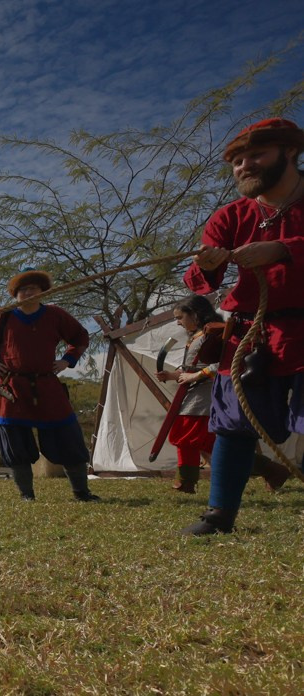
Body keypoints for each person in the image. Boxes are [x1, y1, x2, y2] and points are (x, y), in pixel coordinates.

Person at [177, 118, 304, 535]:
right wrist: (205, 263)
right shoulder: (229, 216)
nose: (244, 166)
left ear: (289, 153)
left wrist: (283, 249)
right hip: (253, 333)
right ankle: (220, 514)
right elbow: (198, 285)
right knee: (232, 422)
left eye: (256, 155)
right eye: (237, 160)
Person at [0, 270, 100, 502]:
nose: (28, 293)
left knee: (68, 437)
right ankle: (27, 495)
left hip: (47, 385)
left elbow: (80, 336)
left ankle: (81, 492)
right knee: (15, 444)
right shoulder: (2, 316)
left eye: (33, 288)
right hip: (11, 389)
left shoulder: (56, 315)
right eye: (23, 290)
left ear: (43, 291)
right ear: (15, 295)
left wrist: (67, 360)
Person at [154, 296, 225, 494]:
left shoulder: (214, 333)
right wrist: (171, 375)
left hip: (205, 396)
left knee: (184, 436)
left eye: (180, 317)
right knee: (207, 443)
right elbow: (191, 369)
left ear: (194, 314)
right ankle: (269, 469)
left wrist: (196, 376)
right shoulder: (197, 335)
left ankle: (186, 481)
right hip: (194, 396)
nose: (178, 322)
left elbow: (223, 364)